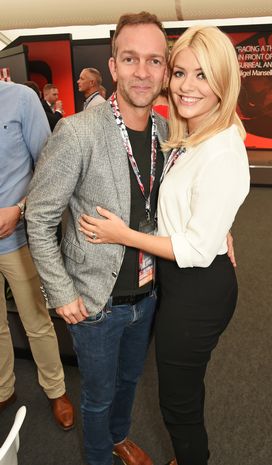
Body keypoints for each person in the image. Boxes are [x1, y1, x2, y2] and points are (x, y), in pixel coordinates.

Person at [77, 26, 250, 465]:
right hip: (181, 281)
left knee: (178, 405)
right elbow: (193, 203)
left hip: (196, 289)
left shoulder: (222, 148)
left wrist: (123, 235)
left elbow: (194, 248)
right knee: (185, 388)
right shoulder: (195, 131)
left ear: (224, 82)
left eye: (203, 75)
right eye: (180, 72)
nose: (187, 86)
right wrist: (218, 228)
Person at [26, 11, 169, 465]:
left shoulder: (165, 131)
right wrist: (62, 292)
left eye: (154, 61)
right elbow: (40, 218)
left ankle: (119, 437)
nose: (142, 72)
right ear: (113, 67)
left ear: (165, 69)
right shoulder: (78, 132)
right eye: (130, 59)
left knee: (129, 384)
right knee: (98, 397)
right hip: (94, 304)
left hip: (145, 295)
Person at [0, 80, 74, 430]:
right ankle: (3, 389)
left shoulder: (21, 99)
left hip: (16, 239)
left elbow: (48, 167)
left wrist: (19, 207)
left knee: (36, 321)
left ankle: (56, 390)